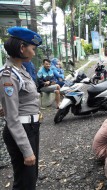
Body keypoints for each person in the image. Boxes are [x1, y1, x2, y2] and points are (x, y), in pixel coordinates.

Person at [0, 26, 43, 190]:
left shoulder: (22, 70)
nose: (34, 53)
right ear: (22, 48)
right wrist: (26, 150)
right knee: (25, 183)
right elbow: (12, 118)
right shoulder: (8, 75)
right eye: (32, 48)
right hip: (21, 130)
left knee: (31, 178)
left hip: (31, 127)